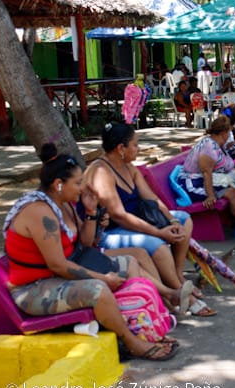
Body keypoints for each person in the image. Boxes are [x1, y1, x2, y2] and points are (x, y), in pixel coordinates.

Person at [3, 144, 179, 361]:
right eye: (77, 183)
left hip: (58, 276)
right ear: (58, 184)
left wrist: (91, 212)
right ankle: (130, 341)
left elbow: (86, 243)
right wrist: (103, 278)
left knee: (129, 263)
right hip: (33, 290)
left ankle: (142, 327)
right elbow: (59, 265)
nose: (81, 188)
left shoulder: (63, 204)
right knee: (98, 289)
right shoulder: (40, 212)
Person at [84, 124, 216, 317]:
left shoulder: (129, 168)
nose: (138, 149)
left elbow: (151, 199)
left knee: (184, 219)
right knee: (155, 243)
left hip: (135, 221)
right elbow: (119, 215)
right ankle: (177, 290)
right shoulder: (101, 172)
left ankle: (178, 274)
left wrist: (172, 221)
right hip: (109, 232)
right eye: (135, 145)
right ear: (121, 149)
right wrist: (158, 232)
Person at [179, 116, 235, 243]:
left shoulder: (219, 145)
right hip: (194, 185)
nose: (230, 135)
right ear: (223, 133)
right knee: (231, 193)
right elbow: (207, 173)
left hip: (208, 181)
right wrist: (211, 196)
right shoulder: (209, 148)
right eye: (229, 132)